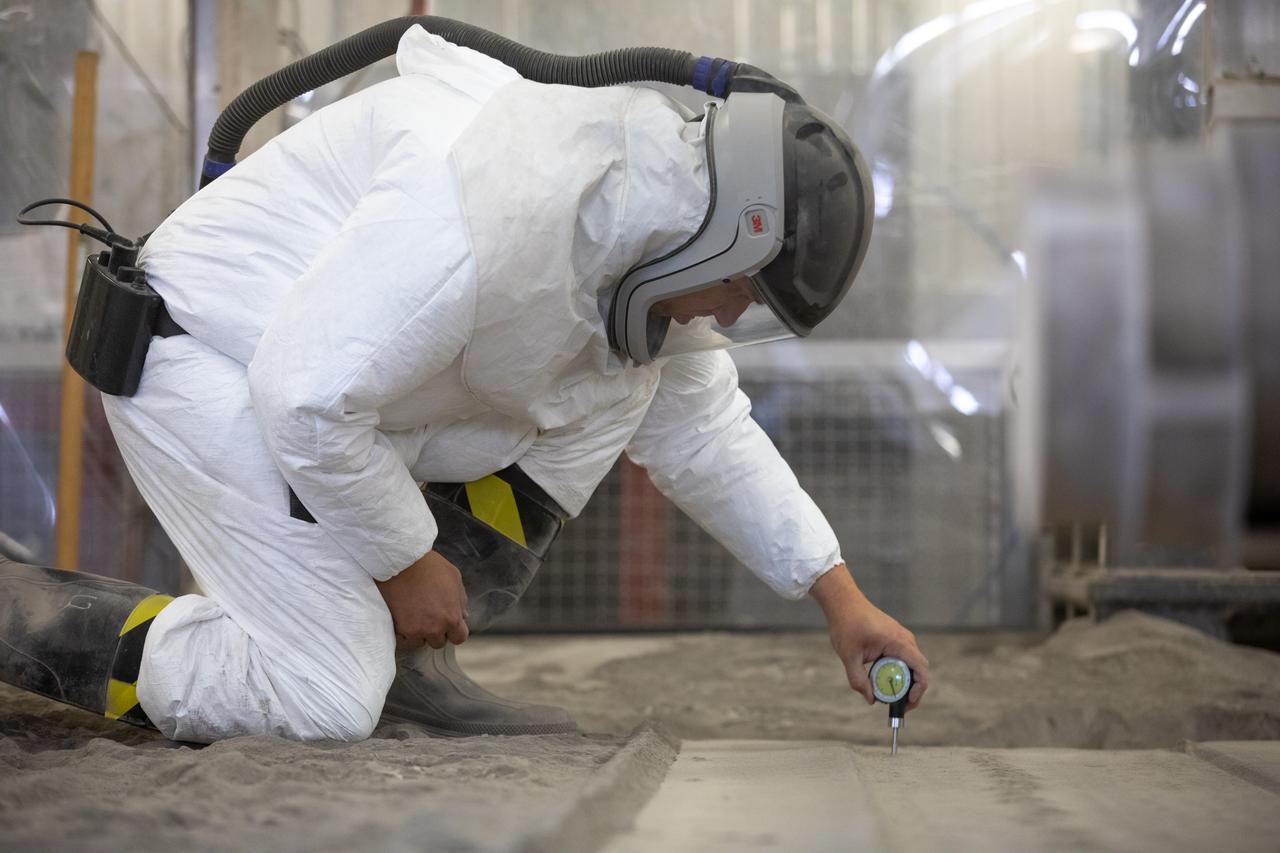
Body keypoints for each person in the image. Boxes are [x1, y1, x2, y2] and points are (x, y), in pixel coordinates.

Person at [82, 26, 928, 742]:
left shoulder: (631, 241)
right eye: (742, 289)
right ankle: (53, 630)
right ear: (724, 240)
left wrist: (840, 599)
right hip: (195, 358)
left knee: (631, 383)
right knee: (324, 695)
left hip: (322, 389)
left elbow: (706, 435)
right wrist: (406, 559)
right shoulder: (488, 209)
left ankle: (406, 665)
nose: (736, 318)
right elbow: (302, 398)